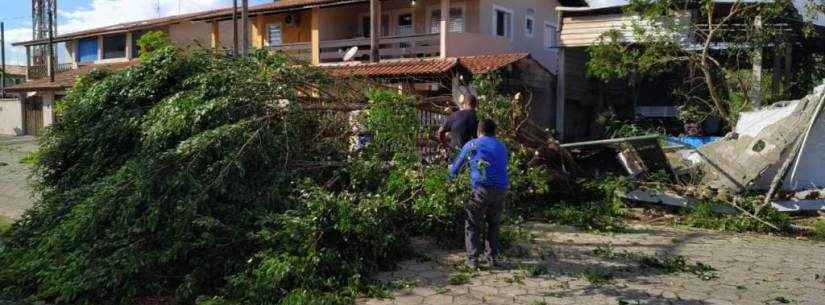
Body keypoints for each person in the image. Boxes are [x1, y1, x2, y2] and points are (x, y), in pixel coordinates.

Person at [449, 119, 509, 269]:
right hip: (501, 190)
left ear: (479, 131)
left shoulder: (473, 144)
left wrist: (448, 179)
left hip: (481, 189)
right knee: (493, 224)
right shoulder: (502, 146)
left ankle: (473, 260)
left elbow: (456, 166)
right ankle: (493, 258)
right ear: (494, 131)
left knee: (472, 223)